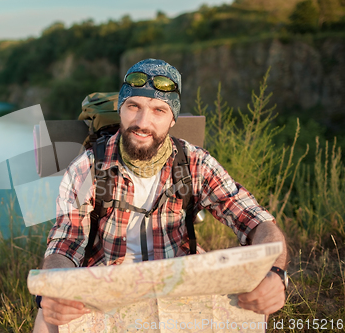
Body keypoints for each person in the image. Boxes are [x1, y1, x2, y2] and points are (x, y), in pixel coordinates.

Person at [33, 58, 287, 333]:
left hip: (180, 282)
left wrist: (275, 273)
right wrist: (54, 288)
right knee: (48, 319)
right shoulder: (86, 167)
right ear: (121, 109)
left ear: (172, 119)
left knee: (254, 301)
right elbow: (65, 244)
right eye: (134, 106)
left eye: (158, 110)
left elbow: (256, 221)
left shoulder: (195, 162)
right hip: (107, 285)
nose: (143, 122)